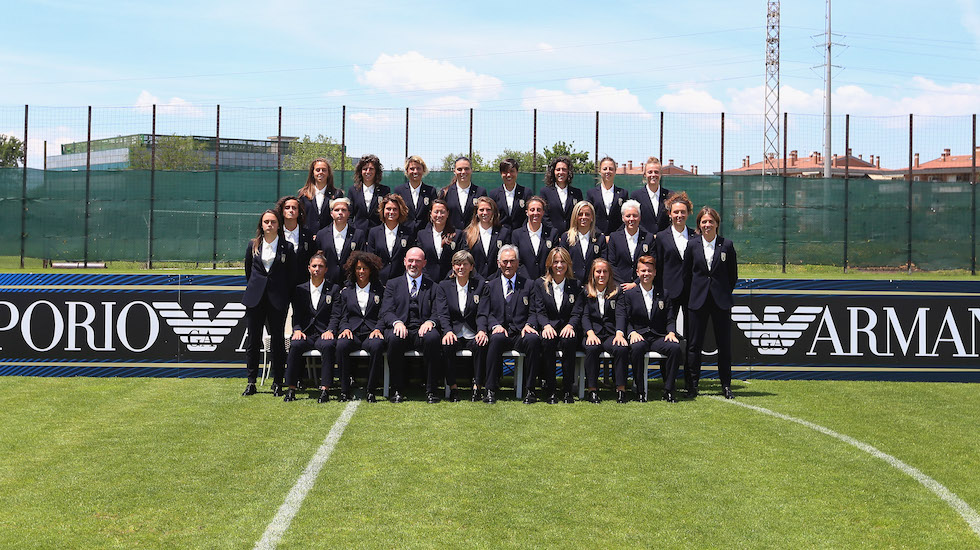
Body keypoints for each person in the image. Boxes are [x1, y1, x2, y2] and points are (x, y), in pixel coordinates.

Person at [683, 206, 738, 400]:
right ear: (699, 224)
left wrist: (721, 292)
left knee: (724, 345)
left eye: (710, 221)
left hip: (720, 302)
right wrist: (695, 294)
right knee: (693, 345)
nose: (707, 225)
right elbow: (687, 275)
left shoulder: (727, 245)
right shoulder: (692, 245)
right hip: (697, 301)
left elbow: (732, 276)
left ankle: (726, 385)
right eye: (704, 222)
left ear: (717, 224)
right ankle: (692, 386)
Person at [241, 209, 296, 397]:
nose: (269, 225)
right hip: (255, 299)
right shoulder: (253, 245)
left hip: (278, 299)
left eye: (273, 221)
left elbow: (291, 275)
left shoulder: (287, 247)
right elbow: (249, 272)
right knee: (253, 340)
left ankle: (278, 381)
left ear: (279, 224)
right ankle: (251, 382)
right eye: (266, 222)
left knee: (278, 341)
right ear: (261, 225)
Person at [377, 247, 442, 403]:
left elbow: (439, 312)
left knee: (433, 338)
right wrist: (397, 322)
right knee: (394, 338)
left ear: (424, 263)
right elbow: (386, 311)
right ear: (404, 261)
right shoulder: (392, 284)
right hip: (401, 328)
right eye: (410, 260)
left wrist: (430, 322)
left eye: (417, 261)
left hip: (422, 329)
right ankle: (397, 389)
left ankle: (431, 390)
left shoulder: (433, 286)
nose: (413, 264)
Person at [477, 245, 541, 404]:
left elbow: (534, 311)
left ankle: (530, 389)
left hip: (520, 333)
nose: (508, 265)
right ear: (498, 263)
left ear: (518, 263)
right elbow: (485, 312)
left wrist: (529, 324)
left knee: (533, 340)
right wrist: (494, 325)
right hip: (500, 332)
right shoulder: (490, 285)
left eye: (512, 261)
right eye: (505, 261)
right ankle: (490, 389)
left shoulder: (529, 285)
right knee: (496, 338)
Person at [613, 255, 681, 403]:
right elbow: (625, 318)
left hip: (657, 336)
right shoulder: (629, 294)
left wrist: (671, 332)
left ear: (655, 272)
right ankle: (640, 391)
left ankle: (669, 390)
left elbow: (670, 318)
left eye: (649, 270)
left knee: (675, 348)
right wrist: (631, 333)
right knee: (637, 348)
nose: (646, 274)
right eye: (643, 270)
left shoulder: (664, 293)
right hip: (639, 335)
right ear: (637, 272)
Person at [282, 252, 338, 403]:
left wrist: (330, 330)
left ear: (326, 269)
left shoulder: (333, 289)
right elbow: (296, 315)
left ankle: (325, 389)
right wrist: (297, 330)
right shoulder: (300, 290)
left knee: (328, 345)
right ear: (309, 268)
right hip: (305, 333)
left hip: (324, 333)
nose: (317, 269)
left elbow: (335, 315)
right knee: (295, 344)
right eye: (314, 266)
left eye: (320, 266)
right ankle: (291, 388)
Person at [333, 251, 386, 402]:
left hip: (372, 332)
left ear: (371, 270)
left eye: (365, 268)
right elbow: (343, 315)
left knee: (377, 345)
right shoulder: (346, 291)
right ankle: (344, 390)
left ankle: (371, 390)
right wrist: (345, 328)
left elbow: (384, 313)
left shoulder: (380, 290)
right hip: (353, 332)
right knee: (341, 345)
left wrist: (378, 328)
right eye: (358, 268)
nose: (361, 271)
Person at [531, 247, 582, 404]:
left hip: (567, 329)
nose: (559, 265)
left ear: (568, 264)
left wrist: (571, 326)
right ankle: (551, 390)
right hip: (549, 328)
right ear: (549, 264)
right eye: (556, 262)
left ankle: (567, 390)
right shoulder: (540, 284)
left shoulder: (576, 284)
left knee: (569, 341)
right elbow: (539, 310)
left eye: (562, 262)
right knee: (547, 342)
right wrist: (546, 326)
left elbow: (577, 312)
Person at [435, 250, 486, 402]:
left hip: (473, 332)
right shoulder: (444, 286)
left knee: (482, 344)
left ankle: (477, 387)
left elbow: (483, 312)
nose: (461, 267)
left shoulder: (481, 286)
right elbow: (443, 313)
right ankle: (453, 388)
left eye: (465, 264)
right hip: (454, 332)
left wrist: (482, 330)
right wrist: (447, 331)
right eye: (457, 264)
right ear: (453, 267)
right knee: (447, 345)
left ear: (471, 267)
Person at [580, 258, 627, 403]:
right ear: (592, 274)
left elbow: (620, 314)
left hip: (610, 334)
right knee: (592, 348)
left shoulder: (617, 291)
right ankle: (592, 390)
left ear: (609, 274)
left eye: (605, 271)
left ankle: (621, 390)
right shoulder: (585, 291)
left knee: (621, 348)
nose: (601, 275)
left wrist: (619, 333)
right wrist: (590, 333)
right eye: (598, 271)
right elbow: (584, 316)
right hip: (592, 333)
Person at [654, 191, 696, 324]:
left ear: (688, 213)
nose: (679, 215)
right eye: (676, 212)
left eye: (683, 212)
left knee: (692, 329)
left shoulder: (696, 236)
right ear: (669, 214)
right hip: (669, 290)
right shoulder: (661, 237)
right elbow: (658, 265)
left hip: (691, 291)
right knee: (668, 328)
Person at [314, 197, 365, 287]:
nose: (340, 213)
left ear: (349, 213)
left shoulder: (358, 234)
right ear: (331, 213)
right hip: (327, 284)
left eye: (343, 210)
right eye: (337, 210)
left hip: (351, 284)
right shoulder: (322, 234)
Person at [606, 199, 655, 291]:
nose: (631, 219)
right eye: (628, 216)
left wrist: (635, 283)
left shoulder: (648, 238)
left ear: (639, 217)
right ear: (623, 218)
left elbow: (652, 263)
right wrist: (622, 285)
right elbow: (611, 264)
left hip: (642, 286)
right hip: (619, 287)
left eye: (635, 216)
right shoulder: (614, 237)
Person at [365, 193, 413, 284]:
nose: (391, 212)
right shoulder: (374, 232)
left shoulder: (408, 233)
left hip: (401, 282)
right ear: (382, 210)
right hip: (379, 282)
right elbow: (371, 259)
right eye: (388, 209)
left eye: (395, 209)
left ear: (400, 211)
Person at [510, 195, 558, 280]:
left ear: (543, 212)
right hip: (524, 282)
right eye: (532, 210)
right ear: (527, 212)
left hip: (546, 281)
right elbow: (517, 260)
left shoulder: (552, 233)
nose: (535, 213)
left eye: (538, 210)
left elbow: (554, 259)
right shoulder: (517, 234)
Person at [462, 196, 510, 280]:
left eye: (488, 210)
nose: (485, 212)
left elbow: (506, 258)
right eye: (481, 210)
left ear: (493, 212)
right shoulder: (468, 234)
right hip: (475, 280)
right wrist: (478, 278)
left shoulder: (503, 233)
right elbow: (466, 259)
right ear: (476, 212)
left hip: (497, 280)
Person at [559, 200, 607, 283]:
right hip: (572, 283)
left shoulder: (600, 238)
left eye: (587, 214)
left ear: (592, 217)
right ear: (575, 217)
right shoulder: (566, 237)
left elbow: (603, 262)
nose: (583, 217)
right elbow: (563, 261)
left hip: (593, 284)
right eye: (580, 214)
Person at [415, 198, 460, 282]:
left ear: (447, 214)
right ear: (430, 214)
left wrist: (449, 276)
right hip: (427, 281)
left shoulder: (457, 235)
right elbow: (419, 259)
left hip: (450, 280)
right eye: (436, 212)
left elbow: (459, 259)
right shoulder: (422, 235)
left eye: (442, 212)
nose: (439, 215)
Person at [393, 155, 437, 238]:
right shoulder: (399, 190)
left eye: (418, 168)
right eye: (412, 169)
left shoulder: (431, 191)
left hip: (425, 236)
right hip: (404, 235)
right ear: (407, 171)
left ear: (423, 170)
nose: (415, 171)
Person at [440, 156, 488, 232]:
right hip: (451, 235)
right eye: (459, 169)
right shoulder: (445, 192)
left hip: (473, 235)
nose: (463, 172)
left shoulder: (480, 192)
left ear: (471, 170)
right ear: (454, 171)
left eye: (466, 169)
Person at [297, 158, 344, 235]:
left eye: (324, 170)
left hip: (329, 236)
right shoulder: (303, 194)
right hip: (308, 237)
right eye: (318, 170)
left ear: (328, 173)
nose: (321, 172)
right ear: (313, 173)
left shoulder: (337, 194)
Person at [585, 156, 630, 235]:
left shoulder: (623, 193)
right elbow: (589, 216)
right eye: (605, 169)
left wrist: (615, 235)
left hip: (617, 237)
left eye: (611, 169)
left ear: (615, 171)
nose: (608, 171)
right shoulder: (591, 193)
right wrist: (599, 234)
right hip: (596, 236)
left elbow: (626, 216)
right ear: (600, 171)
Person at [540, 156, 582, 235]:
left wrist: (571, 233)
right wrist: (554, 234)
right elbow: (544, 216)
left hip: (572, 236)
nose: (561, 172)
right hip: (551, 236)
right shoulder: (545, 192)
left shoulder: (577, 193)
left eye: (564, 169)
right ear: (553, 171)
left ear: (568, 172)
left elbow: (579, 215)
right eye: (558, 169)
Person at [348, 154, 390, 233]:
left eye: (371, 169)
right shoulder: (353, 190)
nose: (368, 171)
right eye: (365, 169)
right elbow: (349, 215)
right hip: (358, 233)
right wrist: (354, 231)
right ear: (360, 171)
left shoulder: (384, 190)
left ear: (376, 171)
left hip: (377, 233)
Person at [630, 156, 671, 234]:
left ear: (660, 174)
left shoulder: (669, 195)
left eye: (656, 172)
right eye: (650, 172)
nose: (653, 175)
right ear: (645, 174)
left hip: (664, 239)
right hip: (644, 238)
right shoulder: (636, 196)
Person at [488, 157, 530, 231]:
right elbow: (492, 217)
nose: (508, 175)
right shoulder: (494, 194)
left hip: (520, 234)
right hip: (500, 234)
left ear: (517, 172)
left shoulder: (526, 192)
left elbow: (528, 216)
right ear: (501, 174)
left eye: (512, 171)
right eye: (505, 172)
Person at [275, 195, 315, 271]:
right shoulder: (276, 234)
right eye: (287, 208)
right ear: (282, 211)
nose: (291, 210)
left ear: (299, 212)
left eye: (294, 208)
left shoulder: (307, 235)